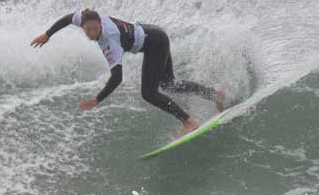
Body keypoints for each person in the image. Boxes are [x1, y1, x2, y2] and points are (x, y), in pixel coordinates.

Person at [31, 9, 226, 137]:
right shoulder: (83, 18)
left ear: (100, 25)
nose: (91, 33)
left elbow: (117, 78)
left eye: (95, 29)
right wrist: (47, 35)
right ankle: (213, 94)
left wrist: (97, 99)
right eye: (88, 29)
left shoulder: (110, 40)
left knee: (149, 93)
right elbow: (67, 18)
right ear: (82, 25)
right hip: (155, 34)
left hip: (155, 43)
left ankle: (189, 122)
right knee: (167, 83)